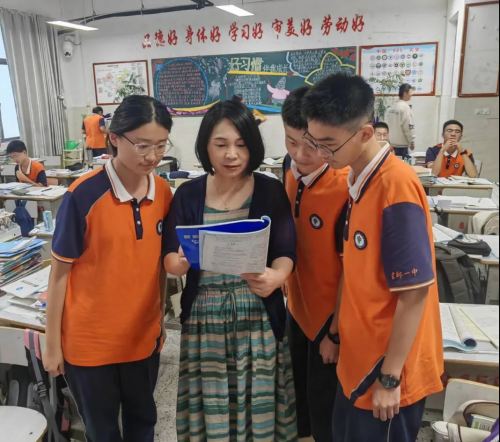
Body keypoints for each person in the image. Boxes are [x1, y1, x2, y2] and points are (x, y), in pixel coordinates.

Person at [302, 74, 444, 442]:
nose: (320, 154)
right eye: (314, 141)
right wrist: (335, 334)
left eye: (328, 145)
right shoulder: (356, 181)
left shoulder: (395, 187)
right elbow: (353, 272)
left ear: (366, 133)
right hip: (357, 361)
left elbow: (414, 294)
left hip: (386, 373)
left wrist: (390, 378)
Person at [164, 99, 298, 441]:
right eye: (221, 144)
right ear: (205, 146)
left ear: (252, 147)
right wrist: (180, 261)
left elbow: (285, 252)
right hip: (205, 317)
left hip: (257, 312)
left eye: (241, 145)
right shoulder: (188, 194)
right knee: (212, 403)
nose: (231, 155)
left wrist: (277, 277)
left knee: (258, 402)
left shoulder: (270, 190)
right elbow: (169, 260)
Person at [43, 95, 174, 442]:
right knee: (101, 431)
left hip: (142, 339)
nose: (152, 156)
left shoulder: (163, 192)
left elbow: (159, 266)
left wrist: (160, 321)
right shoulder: (82, 195)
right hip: (90, 345)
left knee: (143, 423)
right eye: (142, 145)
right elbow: (59, 275)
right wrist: (52, 344)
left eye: (161, 145)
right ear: (114, 138)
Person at [281, 86, 348, 441]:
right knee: (299, 399)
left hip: (329, 319)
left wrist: (334, 334)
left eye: (312, 145)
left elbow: (351, 272)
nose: (300, 154)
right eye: (291, 142)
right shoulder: (288, 169)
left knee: (325, 408)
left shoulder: (346, 187)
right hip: (297, 308)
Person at [385, 83, 416, 158]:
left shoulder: (390, 108)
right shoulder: (405, 108)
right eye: (410, 93)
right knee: (401, 164)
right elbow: (408, 127)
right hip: (402, 147)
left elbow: (386, 126)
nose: (411, 95)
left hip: (390, 145)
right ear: (405, 93)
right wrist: (411, 141)